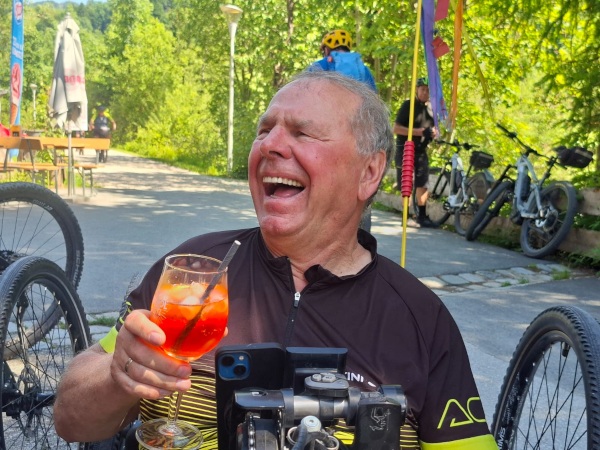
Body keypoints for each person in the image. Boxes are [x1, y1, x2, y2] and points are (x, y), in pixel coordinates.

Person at [54, 71, 496, 449]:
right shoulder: (193, 269)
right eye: (264, 131)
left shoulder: (420, 319)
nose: (270, 145)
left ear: (368, 172)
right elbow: (71, 421)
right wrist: (118, 375)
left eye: (302, 133)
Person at [309, 29, 376, 232]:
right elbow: (374, 107)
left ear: (326, 49)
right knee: (359, 188)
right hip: (359, 141)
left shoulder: (320, 67)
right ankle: (362, 240)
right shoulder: (364, 70)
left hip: (326, 140)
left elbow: (303, 100)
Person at [394, 77, 439, 228]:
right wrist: (419, 132)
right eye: (423, 89)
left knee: (423, 183)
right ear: (417, 90)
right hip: (405, 148)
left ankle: (422, 216)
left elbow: (433, 129)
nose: (425, 92)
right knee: (406, 182)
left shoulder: (431, 110)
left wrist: (433, 133)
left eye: (428, 90)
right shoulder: (408, 105)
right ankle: (405, 216)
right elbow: (396, 128)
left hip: (421, 150)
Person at [308, 29, 377, 92]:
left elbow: (305, 88)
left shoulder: (321, 65)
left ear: (326, 49)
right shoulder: (363, 69)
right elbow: (373, 94)